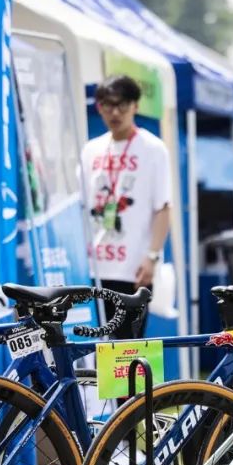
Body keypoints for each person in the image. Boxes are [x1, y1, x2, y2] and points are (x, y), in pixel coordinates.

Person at [81, 74, 171, 339]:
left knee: (127, 348)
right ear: (99, 108)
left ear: (135, 106)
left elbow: (163, 207)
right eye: (108, 105)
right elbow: (79, 203)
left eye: (122, 105)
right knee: (94, 347)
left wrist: (152, 257)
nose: (115, 112)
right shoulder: (91, 150)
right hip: (94, 268)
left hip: (133, 269)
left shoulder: (153, 149)